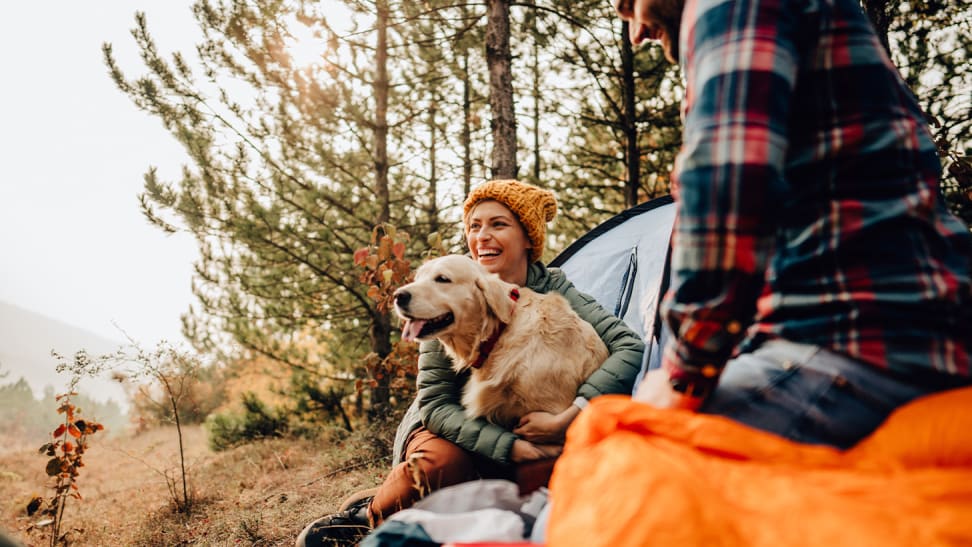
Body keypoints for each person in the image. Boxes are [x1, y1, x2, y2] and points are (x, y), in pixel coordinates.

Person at [614, 0, 972, 447]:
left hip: (853, 340)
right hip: (905, 329)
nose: (636, 33)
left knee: (621, 460)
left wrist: (683, 375)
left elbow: (730, 179)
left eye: (628, 5)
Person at [296, 179, 645, 545]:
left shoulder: (556, 291)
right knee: (442, 466)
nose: (483, 236)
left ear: (527, 238)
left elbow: (629, 347)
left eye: (498, 224)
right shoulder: (444, 290)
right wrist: (508, 447)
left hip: (532, 427)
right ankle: (369, 519)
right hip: (451, 428)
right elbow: (435, 403)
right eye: (474, 226)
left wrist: (569, 416)